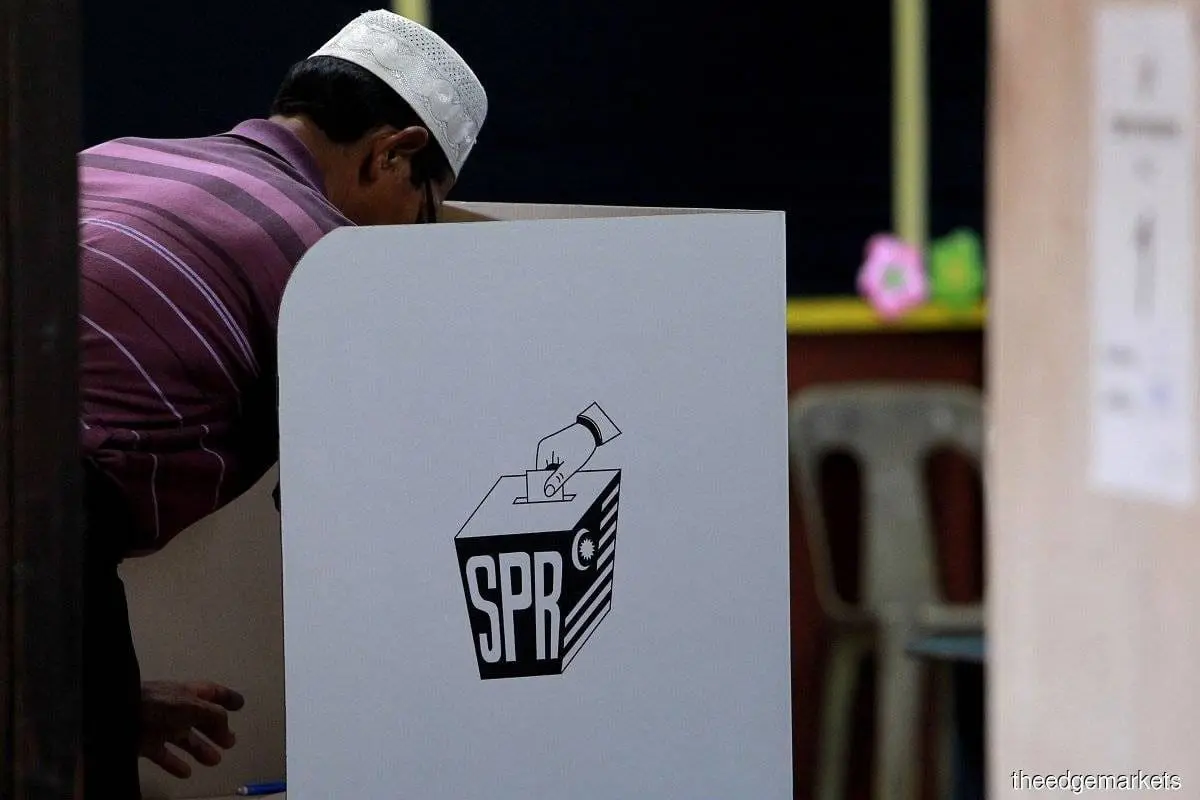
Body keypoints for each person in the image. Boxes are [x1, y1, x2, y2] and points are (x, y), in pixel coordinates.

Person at [77, 10, 487, 796]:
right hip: (42, 515)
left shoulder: (114, 156)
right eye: (426, 210)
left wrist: (103, 702)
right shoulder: (325, 258)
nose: (414, 240)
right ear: (393, 154)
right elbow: (354, 526)